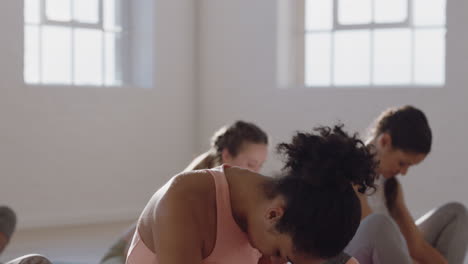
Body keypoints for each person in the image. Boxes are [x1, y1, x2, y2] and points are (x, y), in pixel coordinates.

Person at [126, 125, 376, 264]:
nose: (277, 261)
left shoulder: (269, 216)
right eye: (280, 254)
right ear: (274, 214)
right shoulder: (183, 201)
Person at [100, 121, 269, 264]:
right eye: (251, 164)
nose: (256, 173)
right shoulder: (193, 188)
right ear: (226, 155)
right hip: (122, 251)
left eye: (260, 165)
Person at [344, 105, 468, 264]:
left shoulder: (391, 186)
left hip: (394, 253)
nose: (403, 172)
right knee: (380, 224)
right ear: (384, 141)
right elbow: (372, 231)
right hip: (356, 255)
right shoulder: (351, 172)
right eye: (402, 163)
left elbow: (416, 246)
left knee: (456, 213)